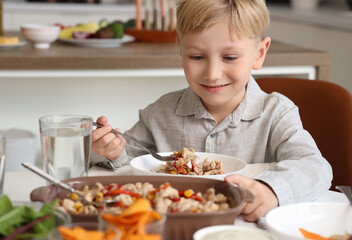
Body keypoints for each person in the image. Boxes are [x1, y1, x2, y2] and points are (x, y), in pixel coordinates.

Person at [91, 0, 332, 221]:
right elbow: (127, 159)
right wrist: (110, 150)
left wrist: (271, 189)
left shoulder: (276, 114)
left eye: (229, 57)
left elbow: (314, 167)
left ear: (259, 53)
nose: (212, 74)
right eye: (196, 56)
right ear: (180, 50)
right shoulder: (160, 113)